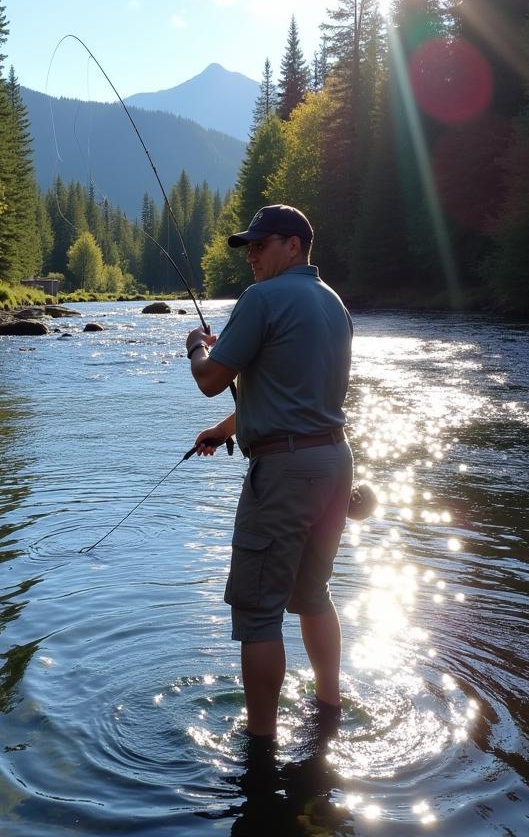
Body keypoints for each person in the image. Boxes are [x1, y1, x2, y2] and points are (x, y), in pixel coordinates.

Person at [185, 204, 353, 742]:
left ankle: (259, 745)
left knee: (258, 613)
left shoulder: (262, 299)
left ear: (295, 245)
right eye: (248, 247)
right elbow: (293, 392)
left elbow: (211, 377)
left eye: (262, 244)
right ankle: (330, 708)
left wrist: (193, 346)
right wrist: (226, 429)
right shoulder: (333, 304)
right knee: (312, 595)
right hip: (333, 461)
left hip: (283, 473)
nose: (252, 255)